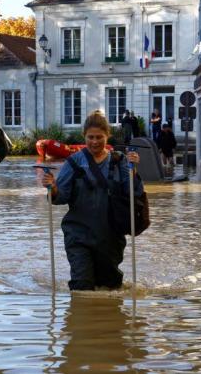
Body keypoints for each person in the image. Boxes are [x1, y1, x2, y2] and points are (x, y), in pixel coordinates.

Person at [41, 111, 143, 290]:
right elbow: (60, 197)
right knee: (82, 284)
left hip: (110, 237)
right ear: (84, 136)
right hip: (78, 234)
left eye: (99, 137)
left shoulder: (120, 161)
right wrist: (52, 187)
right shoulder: (74, 162)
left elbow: (133, 192)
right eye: (90, 137)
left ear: (107, 136)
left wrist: (133, 170)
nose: (94, 142)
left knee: (109, 287)